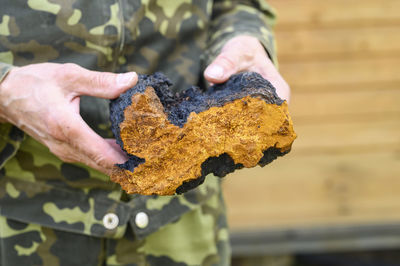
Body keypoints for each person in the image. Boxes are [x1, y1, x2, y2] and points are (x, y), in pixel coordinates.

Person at [0, 0, 290, 265]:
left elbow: (236, 6)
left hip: (183, 220)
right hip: (23, 217)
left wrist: (246, 40)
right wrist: (6, 88)